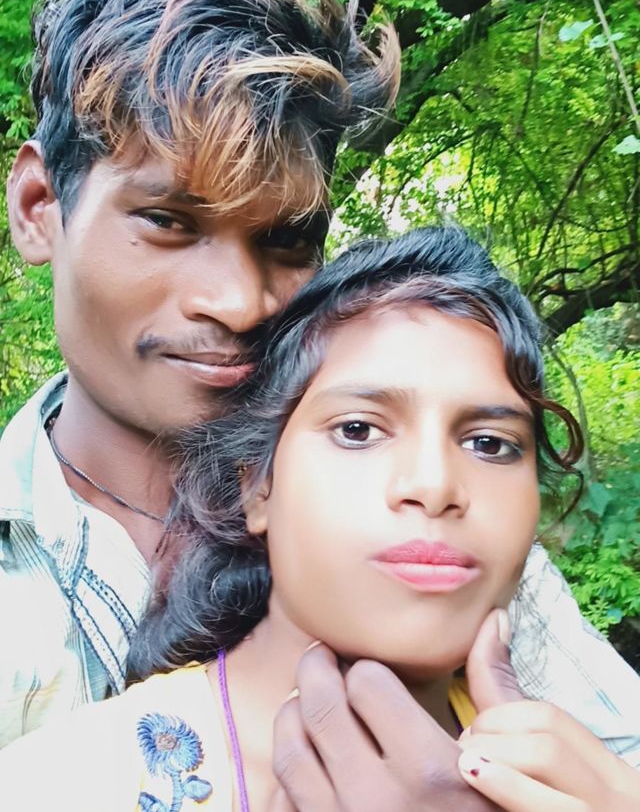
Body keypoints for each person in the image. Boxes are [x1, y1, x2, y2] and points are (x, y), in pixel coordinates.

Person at [0, 0, 638, 806]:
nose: (239, 303)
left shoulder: (440, 544)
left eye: (286, 240)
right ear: (38, 205)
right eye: (168, 221)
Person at [0, 227, 638, 812]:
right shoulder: (57, 786)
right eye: (358, 430)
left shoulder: (590, 775)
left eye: (490, 444)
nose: (435, 485)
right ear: (258, 487)